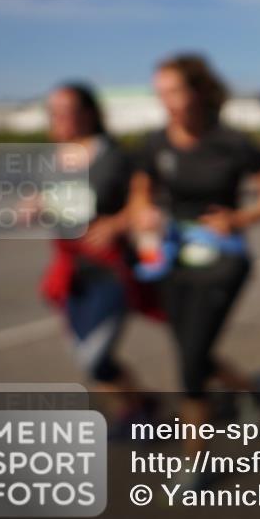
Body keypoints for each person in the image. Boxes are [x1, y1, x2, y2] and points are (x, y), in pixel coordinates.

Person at [129, 54, 260, 480]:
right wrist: (144, 213)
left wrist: (240, 217)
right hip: (173, 258)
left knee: (192, 362)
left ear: (198, 92)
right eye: (160, 93)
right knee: (190, 348)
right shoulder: (155, 143)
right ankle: (248, 390)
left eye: (175, 91)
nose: (167, 102)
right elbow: (140, 194)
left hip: (223, 259)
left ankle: (194, 460)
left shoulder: (231, 142)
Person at [38, 83, 160, 431]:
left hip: (112, 269)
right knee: (83, 354)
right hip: (73, 270)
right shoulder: (53, 158)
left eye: (67, 111)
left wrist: (117, 223)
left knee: (93, 356)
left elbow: (145, 201)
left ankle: (142, 408)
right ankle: (137, 406)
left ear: (89, 113)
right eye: (53, 112)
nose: (59, 119)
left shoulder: (114, 157)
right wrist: (38, 204)